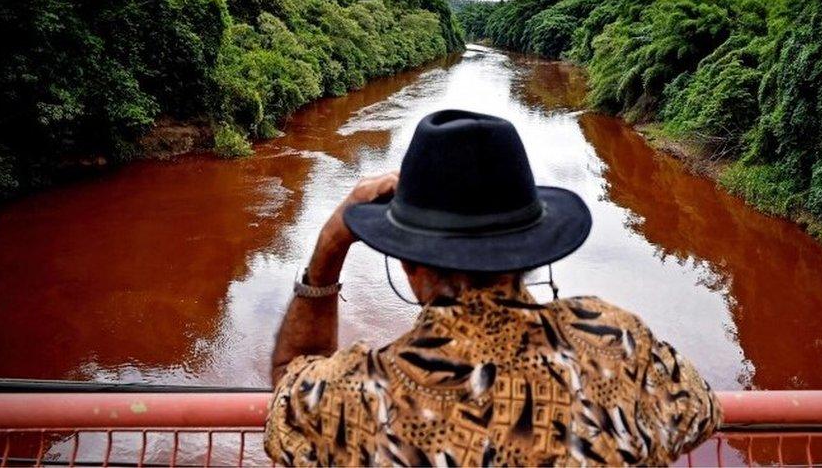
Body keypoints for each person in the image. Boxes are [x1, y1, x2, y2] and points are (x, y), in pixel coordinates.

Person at [265, 109, 721, 466]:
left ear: (407, 264)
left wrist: (330, 244)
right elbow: (698, 413)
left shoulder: (357, 396)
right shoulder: (617, 342)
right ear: (530, 248)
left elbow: (289, 382)